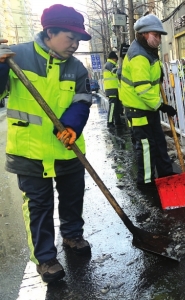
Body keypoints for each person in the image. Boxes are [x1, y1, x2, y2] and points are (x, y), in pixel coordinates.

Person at [0, 4, 92, 283]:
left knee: (73, 197)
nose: (75, 45)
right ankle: (45, 258)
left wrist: (72, 127)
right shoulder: (16, 56)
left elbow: (82, 101)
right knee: (39, 206)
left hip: (67, 147)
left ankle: (73, 234)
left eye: (78, 40)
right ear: (50, 32)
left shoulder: (76, 68)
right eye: (70, 38)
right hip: (29, 150)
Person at [119, 14, 177, 190]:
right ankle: (145, 182)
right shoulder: (139, 56)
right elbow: (142, 88)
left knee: (159, 142)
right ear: (144, 34)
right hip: (138, 109)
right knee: (146, 146)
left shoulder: (148, 51)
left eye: (160, 36)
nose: (159, 39)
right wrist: (162, 106)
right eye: (156, 35)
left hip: (148, 107)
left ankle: (166, 174)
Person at [103, 51, 123, 128]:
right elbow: (117, 72)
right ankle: (110, 122)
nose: (116, 61)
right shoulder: (109, 64)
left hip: (115, 89)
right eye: (116, 59)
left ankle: (118, 122)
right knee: (112, 107)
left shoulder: (110, 64)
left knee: (117, 106)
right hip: (112, 89)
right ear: (113, 58)